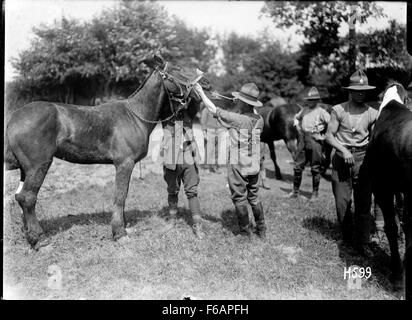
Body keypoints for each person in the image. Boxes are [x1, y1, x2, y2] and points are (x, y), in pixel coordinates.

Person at [194, 82, 266, 239]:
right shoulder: (259, 118)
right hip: (253, 163)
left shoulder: (238, 119)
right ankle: (262, 230)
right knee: (254, 197)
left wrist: (200, 91)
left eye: (239, 99)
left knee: (239, 197)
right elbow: (248, 113)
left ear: (243, 102)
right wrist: (241, 104)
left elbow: (213, 110)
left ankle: (245, 233)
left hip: (238, 163)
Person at [325, 70, 378, 257]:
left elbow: (374, 139)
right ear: (350, 91)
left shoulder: (373, 113)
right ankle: (347, 239)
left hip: (363, 159)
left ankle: (362, 243)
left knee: (363, 203)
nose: (360, 93)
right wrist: (344, 150)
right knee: (342, 202)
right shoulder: (338, 110)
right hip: (341, 157)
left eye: (363, 90)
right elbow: (329, 136)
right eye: (356, 90)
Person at [161, 99, 205, 239]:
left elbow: (196, 101)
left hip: (187, 156)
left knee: (192, 191)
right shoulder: (166, 116)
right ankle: (172, 220)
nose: (179, 104)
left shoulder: (188, 114)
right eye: (175, 101)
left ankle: (197, 225)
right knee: (172, 190)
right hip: (171, 157)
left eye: (181, 101)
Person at [287, 87, 330, 201]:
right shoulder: (304, 110)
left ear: (317, 100)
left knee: (315, 168)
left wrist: (324, 136)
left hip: (315, 141)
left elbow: (331, 124)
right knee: (297, 166)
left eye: (312, 99)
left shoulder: (322, 112)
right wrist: (297, 126)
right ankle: (295, 192)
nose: (310, 102)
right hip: (302, 139)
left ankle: (314, 194)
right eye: (309, 99)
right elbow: (296, 118)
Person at [200, 105, 227, 173]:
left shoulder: (220, 110)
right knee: (209, 149)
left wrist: (224, 128)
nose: (216, 102)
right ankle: (206, 167)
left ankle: (215, 167)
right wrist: (204, 131)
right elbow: (203, 120)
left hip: (219, 130)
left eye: (217, 100)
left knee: (217, 150)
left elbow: (224, 119)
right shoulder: (206, 110)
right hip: (210, 130)